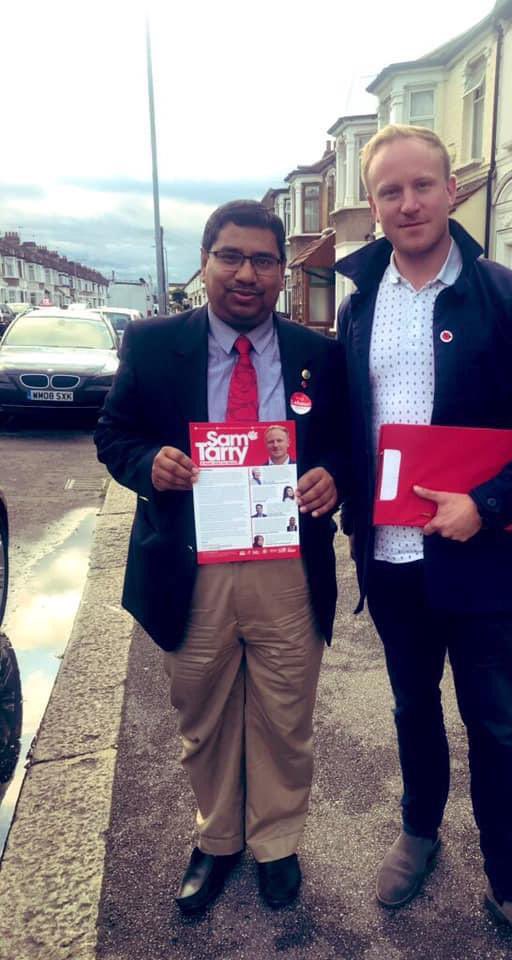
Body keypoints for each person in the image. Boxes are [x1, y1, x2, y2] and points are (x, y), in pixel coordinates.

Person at [336, 125, 512, 960]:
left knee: (495, 727)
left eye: (422, 186)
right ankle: (419, 835)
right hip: (391, 558)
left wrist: (484, 504)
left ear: (454, 192)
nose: (407, 203)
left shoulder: (511, 296)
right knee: (414, 710)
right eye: (390, 192)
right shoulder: (359, 305)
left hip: (481, 558)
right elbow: (353, 430)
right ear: (374, 207)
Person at [95, 200, 349, 914]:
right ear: (205, 263)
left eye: (263, 260)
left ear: (282, 273)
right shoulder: (151, 345)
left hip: (285, 564)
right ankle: (217, 839)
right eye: (230, 257)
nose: (246, 273)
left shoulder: (318, 356)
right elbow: (113, 436)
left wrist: (335, 476)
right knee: (202, 712)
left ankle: (275, 842)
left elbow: (345, 445)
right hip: (191, 562)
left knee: (284, 714)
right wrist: (151, 465)